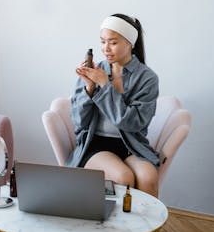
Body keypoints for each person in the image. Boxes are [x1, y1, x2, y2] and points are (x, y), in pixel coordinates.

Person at [66, 13, 160, 197]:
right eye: (102, 42)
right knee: (123, 177)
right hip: (95, 145)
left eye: (113, 42)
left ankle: (148, 227)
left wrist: (105, 86)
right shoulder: (95, 71)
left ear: (130, 43)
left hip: (131, 145)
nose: (105, 49)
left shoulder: (147, 78)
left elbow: (132, 123)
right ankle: (116, 226)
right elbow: (79, 122)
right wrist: (89, 88)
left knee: (148, 178)